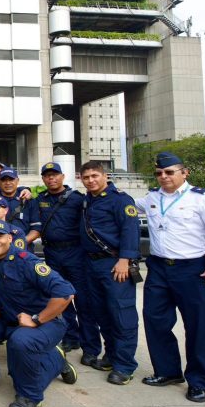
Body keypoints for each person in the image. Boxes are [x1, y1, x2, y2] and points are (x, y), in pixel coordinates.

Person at [0, 221, 77, 407]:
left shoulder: (27, 261)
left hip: (46, 322)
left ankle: (31, 395)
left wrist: (37, 320)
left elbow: (66, 293)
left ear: (10, 238)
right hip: (11, 319)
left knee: (20, 342)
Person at [135, 152, 205, 403]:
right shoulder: (151, 198)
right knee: (155, 320)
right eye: (159, 173)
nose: (164, 177)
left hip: (192, 268)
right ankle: (168, 372)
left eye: (169, 172)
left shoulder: (201, 198)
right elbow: (123, 203)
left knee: (198, 325)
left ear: (184, 172)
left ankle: (199, 381)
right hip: (158, 267)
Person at [79, 160, 141, 385]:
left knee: (121, 314)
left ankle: (124, 366)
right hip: (92, 265)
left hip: (115, 265)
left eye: (95, 176)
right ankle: (112, 356)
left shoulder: (121, 200)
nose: (91, 180)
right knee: (102, 313)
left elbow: (130, 230)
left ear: (105, 176)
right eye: (86, 177)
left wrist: (125, 259)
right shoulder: (87, 200)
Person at [37, 162, 98, 359]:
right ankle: (71, 337)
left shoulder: (77, 199)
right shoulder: (40, 199)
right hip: (52, 254)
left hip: (75, 253)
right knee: (61, 298)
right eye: (47, 175)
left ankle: (90, 347)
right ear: (43, 179)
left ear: (63, 177)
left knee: (83, 300)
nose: (51, 178)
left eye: (55, 174)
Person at [0, 168, 41, 249]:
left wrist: (20, 243)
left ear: (17, 181)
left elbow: (36, 229)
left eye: (11, 179)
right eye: (4, 180)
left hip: (24, 249)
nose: (8, 183)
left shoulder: (28, 200)